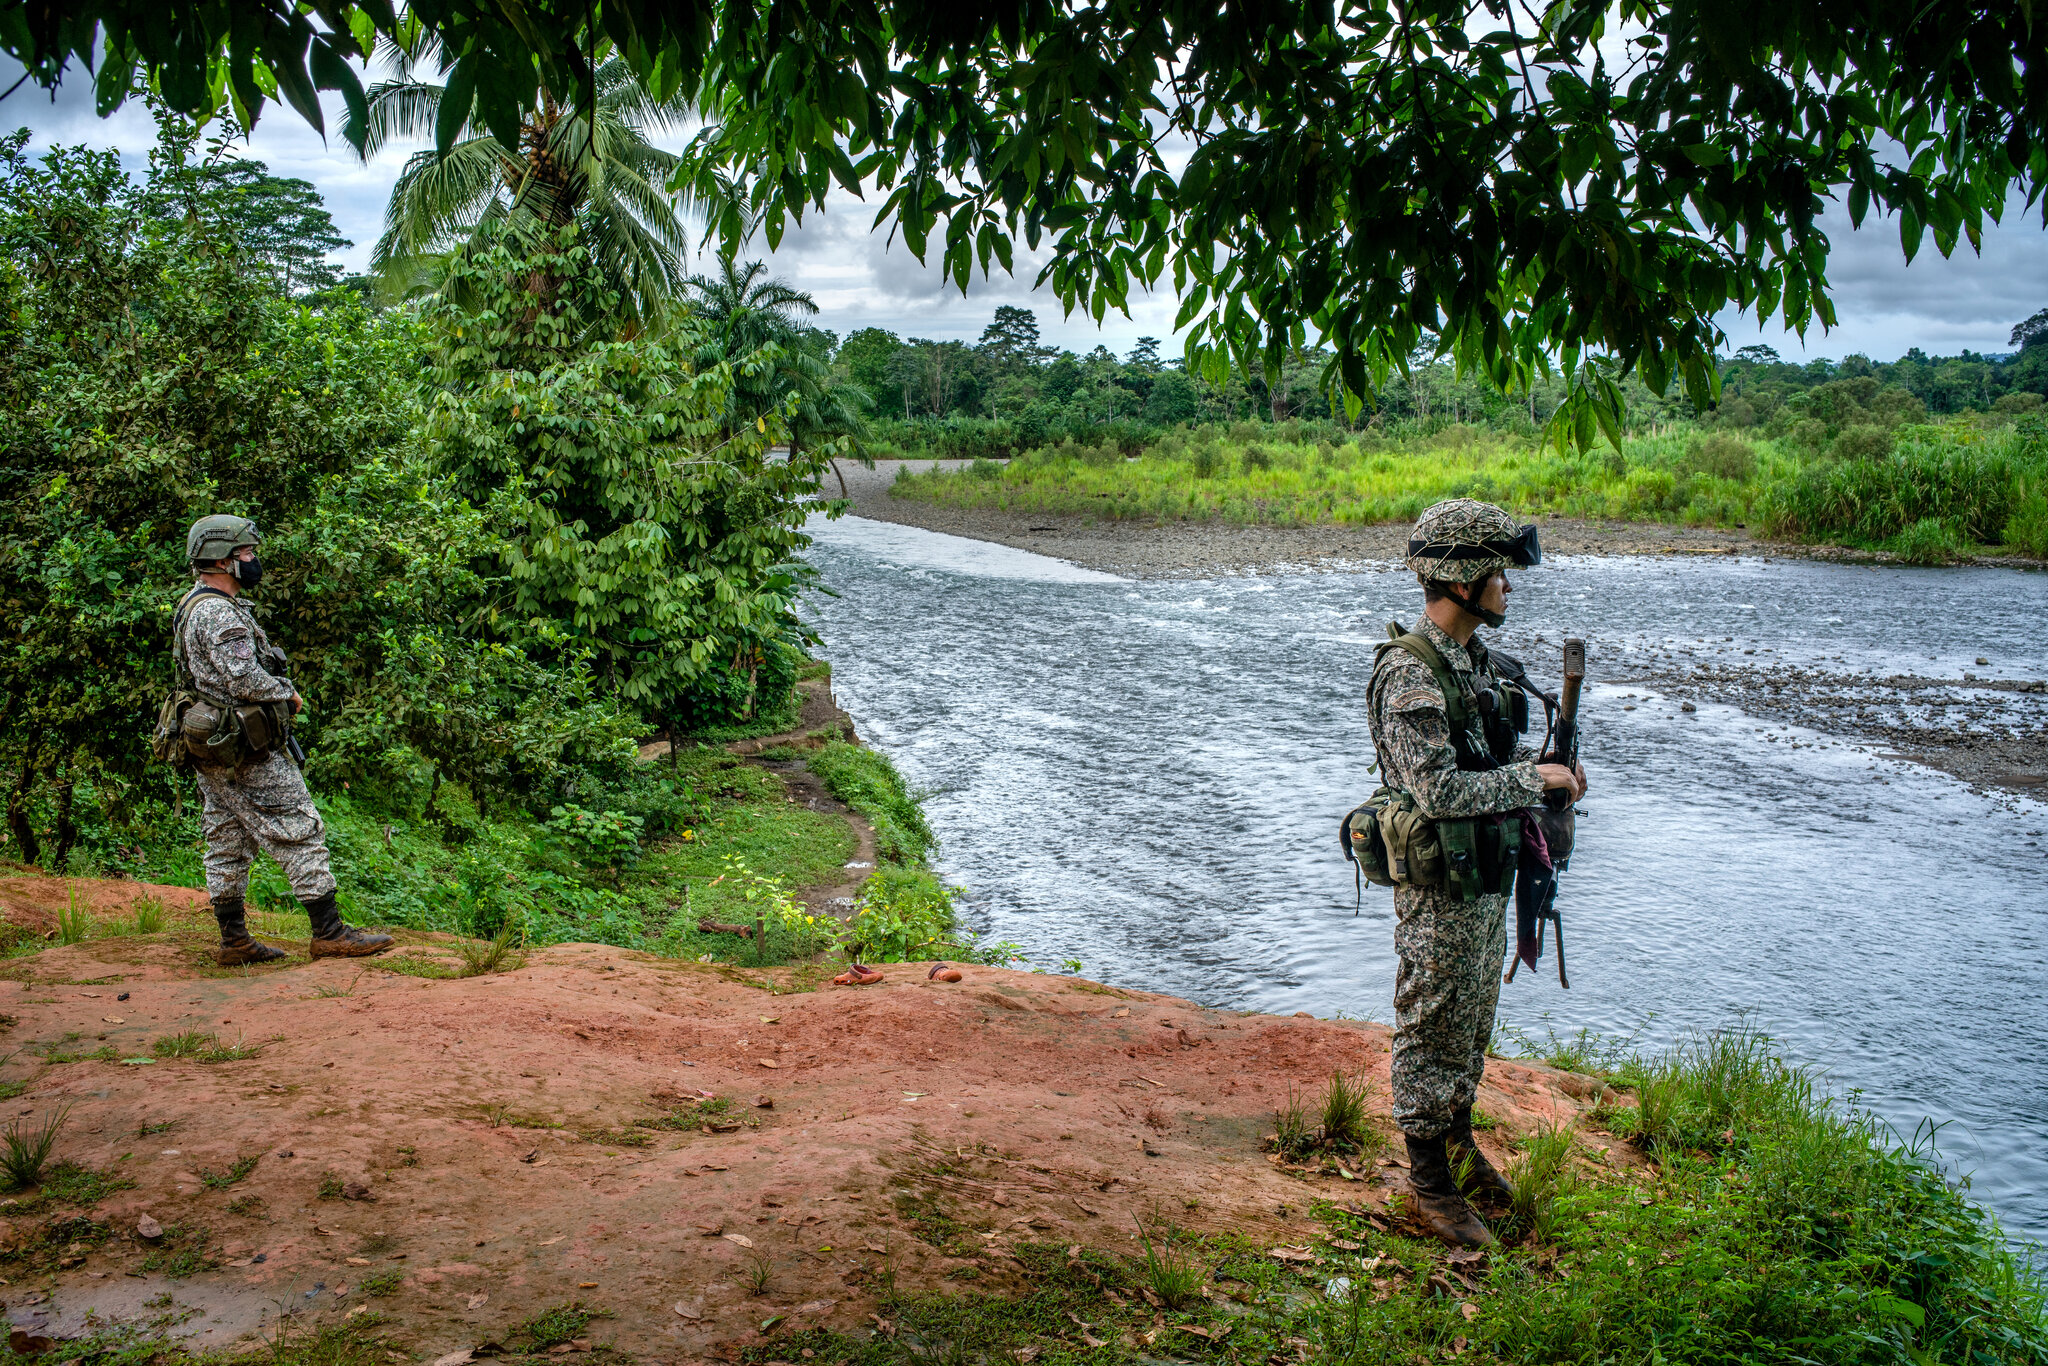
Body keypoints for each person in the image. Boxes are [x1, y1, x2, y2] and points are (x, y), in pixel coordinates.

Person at [1366, 498, 1587, 1248]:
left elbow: (1486, 765)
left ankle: (1457, 1146)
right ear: (1460, 580)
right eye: (1496, 572)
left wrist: (1547, 768)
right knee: (1429, 1022)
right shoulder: (1409, 673)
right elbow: (1438, 791)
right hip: (1438, 887)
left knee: (1470, 1024)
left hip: (1486, 879)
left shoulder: (1478, 664)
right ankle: (1429, 1182)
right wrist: (1538, 782)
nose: (1507, 587)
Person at [175, 515, 393, 965]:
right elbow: (242, 678)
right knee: (299, 825)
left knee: (226, 836)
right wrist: (286, 693)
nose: (254, 561)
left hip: (215, 744)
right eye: (246, 555)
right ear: (222, 559)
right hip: (244, 746)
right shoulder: (217, 611)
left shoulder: (195, 603)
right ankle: (329, 932)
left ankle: (234, 941)